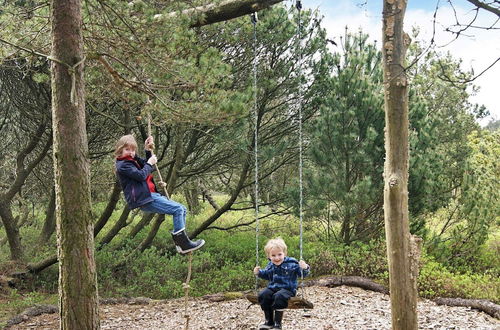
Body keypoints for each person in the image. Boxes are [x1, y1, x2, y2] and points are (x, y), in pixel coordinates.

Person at [114, 134, 204, 254]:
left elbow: (148, 165)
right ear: (120, 150)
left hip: (151, 195)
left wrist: (147, 150)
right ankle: (184, 244)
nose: (131, 152)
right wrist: (149, 163)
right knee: (177, 209)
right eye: (127, 149)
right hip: (144, 199)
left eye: (133, 149)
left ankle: (180, 244)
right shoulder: (123, 165)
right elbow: (142, 174)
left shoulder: (131, 160)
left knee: (182, 208)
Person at [253, 237, 310, 329]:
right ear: (269, 256)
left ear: (284, 253)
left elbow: (302, 274)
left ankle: (278, 324)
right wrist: (259, 273)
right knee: (264, 295)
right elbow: (266, 275)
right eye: (273, 255)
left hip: (288, 290)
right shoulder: (270, 265)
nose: (277, 258)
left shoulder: (292, 263)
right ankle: (269, 321)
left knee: (279, 296)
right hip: (273, 288)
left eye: (279, 254)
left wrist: (305, 267)